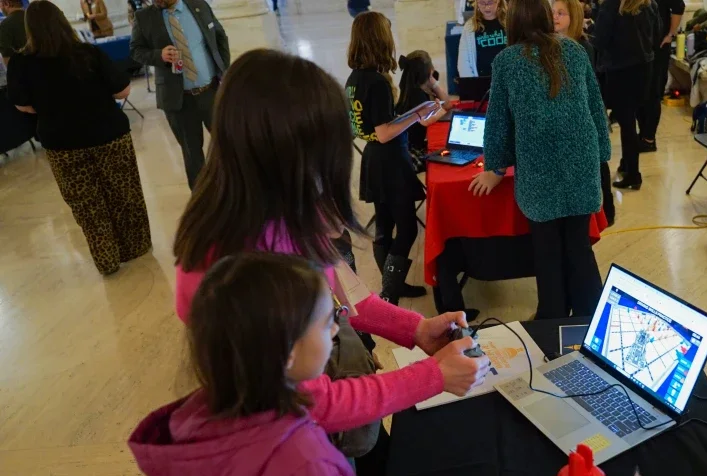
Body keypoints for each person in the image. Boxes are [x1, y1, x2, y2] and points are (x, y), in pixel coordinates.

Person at [172, 49, 488, 431]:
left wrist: (417, 329)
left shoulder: (271, 212)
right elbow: (313, 403)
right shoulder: (250, 261)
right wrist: (433, 376)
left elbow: (346, 293)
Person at [129, 253, 439, 476]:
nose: (336, 329)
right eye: (327, 322)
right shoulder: (304, 467)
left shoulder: (236, 420)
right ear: (287, 352)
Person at [470, 0, 609, 319]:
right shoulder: (574, 50)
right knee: (578, 247)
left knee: (547, 251)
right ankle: (589, 319)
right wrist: (601, 157)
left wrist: (495, 167)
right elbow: (596, 105)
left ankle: (553, 318)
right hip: (581, 161)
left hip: (538, 167)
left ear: (513, 21)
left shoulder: (507, 60)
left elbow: (498, 122)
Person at [7, 0, 151, 275]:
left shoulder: (21, 63)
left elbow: (22, 105)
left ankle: (106, 259)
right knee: (124, 195)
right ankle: (136, 247)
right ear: (62, 22)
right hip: (109, 135)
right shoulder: (87, 53)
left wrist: (48, 105)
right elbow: (122, 91)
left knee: (87, 206)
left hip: (63, 145)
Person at [347, 12, 444, 304]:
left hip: (374, 159)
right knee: (407, 228)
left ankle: (393, 286)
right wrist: (418, 114)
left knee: (384, 227)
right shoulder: (377, 82)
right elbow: (385, 132)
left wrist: (406, 115)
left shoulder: (354, 79)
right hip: (389, 160)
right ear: (380, 39)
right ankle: (390, 292)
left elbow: (373, 127)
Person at [130, 0, 229, 189]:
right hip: (179, 100)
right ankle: (202, 200)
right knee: (192, 156)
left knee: (228, 145)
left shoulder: (198, 5)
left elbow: (219, 36)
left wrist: (225, 71)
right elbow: (136, 50)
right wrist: (158, 55)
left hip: (211, 92)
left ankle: (234, 191)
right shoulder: (144, 17)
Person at [552, 0, 614, 225]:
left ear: (574, 18)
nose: (555, 17)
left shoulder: (581, 47)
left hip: (586, 111)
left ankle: (607, 209)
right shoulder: (551, 45)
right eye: (553, 12)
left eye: (561, 13)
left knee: (598, 161)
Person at [594, 0, 658, 190]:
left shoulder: (612, 6)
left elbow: (600, 40)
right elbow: (656, 34)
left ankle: (633, 174)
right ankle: (627, 164)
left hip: (621, 69)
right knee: (631, 120)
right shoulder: (648, 4)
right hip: (644, 67)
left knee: (626, 123)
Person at [636, 0, 683, 152]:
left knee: (653, 92)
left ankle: (649, 139)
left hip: (659, 46)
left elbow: (679, 6)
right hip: (641, 47)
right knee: (641, 92)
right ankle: (643, 134)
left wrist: (670, 34)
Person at [396, 50, 453, 167]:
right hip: (412, 153)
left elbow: (447, 103)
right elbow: (446, 106)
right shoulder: (417, 96)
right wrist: (434, 84)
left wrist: (432, 83)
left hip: (407, 147)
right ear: (428, 71)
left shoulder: (411, 89)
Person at [457, 0, 507, 77]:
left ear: (498, 2)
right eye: (482, 3)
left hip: (507, 77)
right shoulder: (469, 26)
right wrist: (472, 82)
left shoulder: (509, 22)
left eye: (490, 2)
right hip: (481, 79)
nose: (487, 7)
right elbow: (463, 62)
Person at [0, 0, 26, 65]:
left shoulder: (5, 24)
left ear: (7, 3)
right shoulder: (34, 18)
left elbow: (7, 57)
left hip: (20, 68)